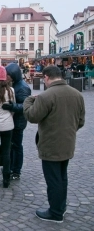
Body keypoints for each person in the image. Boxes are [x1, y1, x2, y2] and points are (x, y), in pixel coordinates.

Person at [23, 65, 85, 223]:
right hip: (68, 143)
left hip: (51, 144)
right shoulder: (77, 94)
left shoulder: (46, 96)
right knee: (62, 177)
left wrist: (29, 100)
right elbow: (81, 121)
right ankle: (61, 207)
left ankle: (55, 212)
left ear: (46, 77)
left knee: (53, 179)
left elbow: (32, 116)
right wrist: (68, 131)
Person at [2, 63, 31, 180]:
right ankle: (10, 166)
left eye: (7, 75)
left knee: (17, 146)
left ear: (13, 75)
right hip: (12, 120)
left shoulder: (22, 87)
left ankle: (16, 170)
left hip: (18, 122)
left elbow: (25, 106)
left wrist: (12, 107)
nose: (6, 77)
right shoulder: (14, 84)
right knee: (11, 145)